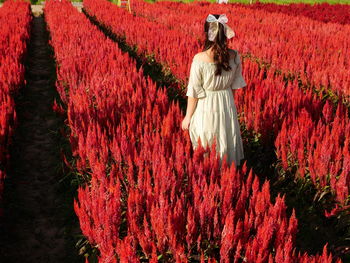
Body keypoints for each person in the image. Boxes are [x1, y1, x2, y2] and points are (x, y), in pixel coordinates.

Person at [181, 14, 246, 168]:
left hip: (207, 104)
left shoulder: (200, 58)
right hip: (227, 101)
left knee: (207, 139)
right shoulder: (235, 55)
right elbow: (235, 86)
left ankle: (211, 171)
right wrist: (228, 103)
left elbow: (194, 91)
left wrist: (188, 116)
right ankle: (226, 171)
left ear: (207, 34)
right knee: (225, 137)